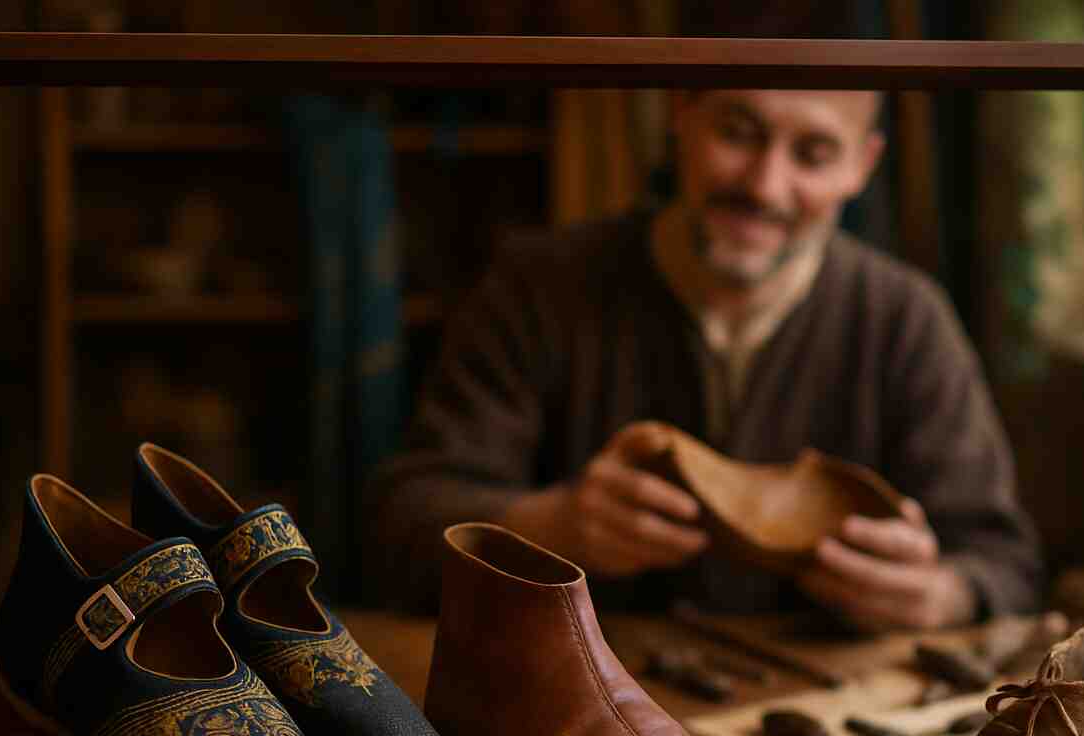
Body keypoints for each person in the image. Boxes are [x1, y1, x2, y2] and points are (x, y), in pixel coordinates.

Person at [369, 89, 1041, 631]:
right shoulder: (540, 285)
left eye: (813, 153)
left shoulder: (905, 319)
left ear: (861, 167)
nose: (765, 186)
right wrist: (556, 525)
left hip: (815, 718)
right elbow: (400, 529)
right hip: (578, 708)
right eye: (738, 132)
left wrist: (936, 594)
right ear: (681, 115)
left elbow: (1006, 564)